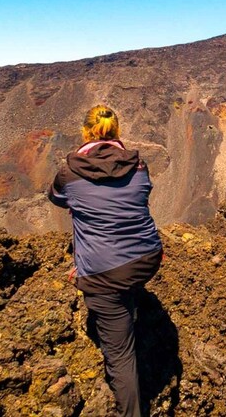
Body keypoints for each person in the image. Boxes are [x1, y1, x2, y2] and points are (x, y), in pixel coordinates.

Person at [48, 104, 163, 417]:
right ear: (117, 133)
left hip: (105, 273)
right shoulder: (139, 165)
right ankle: (126, 297)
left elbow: (55, 197)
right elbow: (137, 198)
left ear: (86, 133)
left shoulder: (69, 172)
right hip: (148, 256)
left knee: (122, 357)